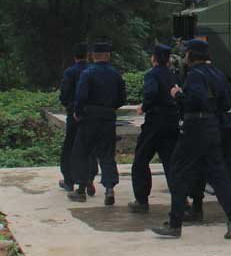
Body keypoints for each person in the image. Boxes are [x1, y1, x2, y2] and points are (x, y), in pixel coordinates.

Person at [152, 39, 231, 239]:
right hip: (213, 127)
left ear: (192, 56)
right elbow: (228, 101)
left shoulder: (195, 75)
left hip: (195, 127)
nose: (184, 56)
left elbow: (196, 100)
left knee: (177, 171)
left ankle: (175, 224)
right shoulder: (218, 74)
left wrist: (178, 95)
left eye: (186, 53)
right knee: (218, 174)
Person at [68, 41, 127, 205]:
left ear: (93, 56)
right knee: (107, 154)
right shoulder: (116, 74)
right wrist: (110, 108)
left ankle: (81, 189)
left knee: (83, 152)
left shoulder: (88, 73)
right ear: (108, 56)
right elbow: (122, 98)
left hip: (90, 118)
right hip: (108, 118)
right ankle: (109, 189)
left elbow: (81, 97)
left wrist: (78, 113)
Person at [128, 44, 181, 213]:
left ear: (154, 59)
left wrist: (143, 106)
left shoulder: (152, 75)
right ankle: (181, 202)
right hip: (172, 122)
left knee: (140, 161)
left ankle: (141, 200)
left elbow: (151, 94)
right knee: (171, 163)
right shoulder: (173, 75)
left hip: (155, 123)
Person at [58, 42, 97, 195]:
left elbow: (64, 94)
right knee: (89, 147)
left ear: (74, 57)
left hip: (74, 114)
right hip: (91, 114)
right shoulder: (92, 70)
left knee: (70, 147)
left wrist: (70, 106)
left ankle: (69, 180)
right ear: (87, 55)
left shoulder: (70, 72)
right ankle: (89, 179)